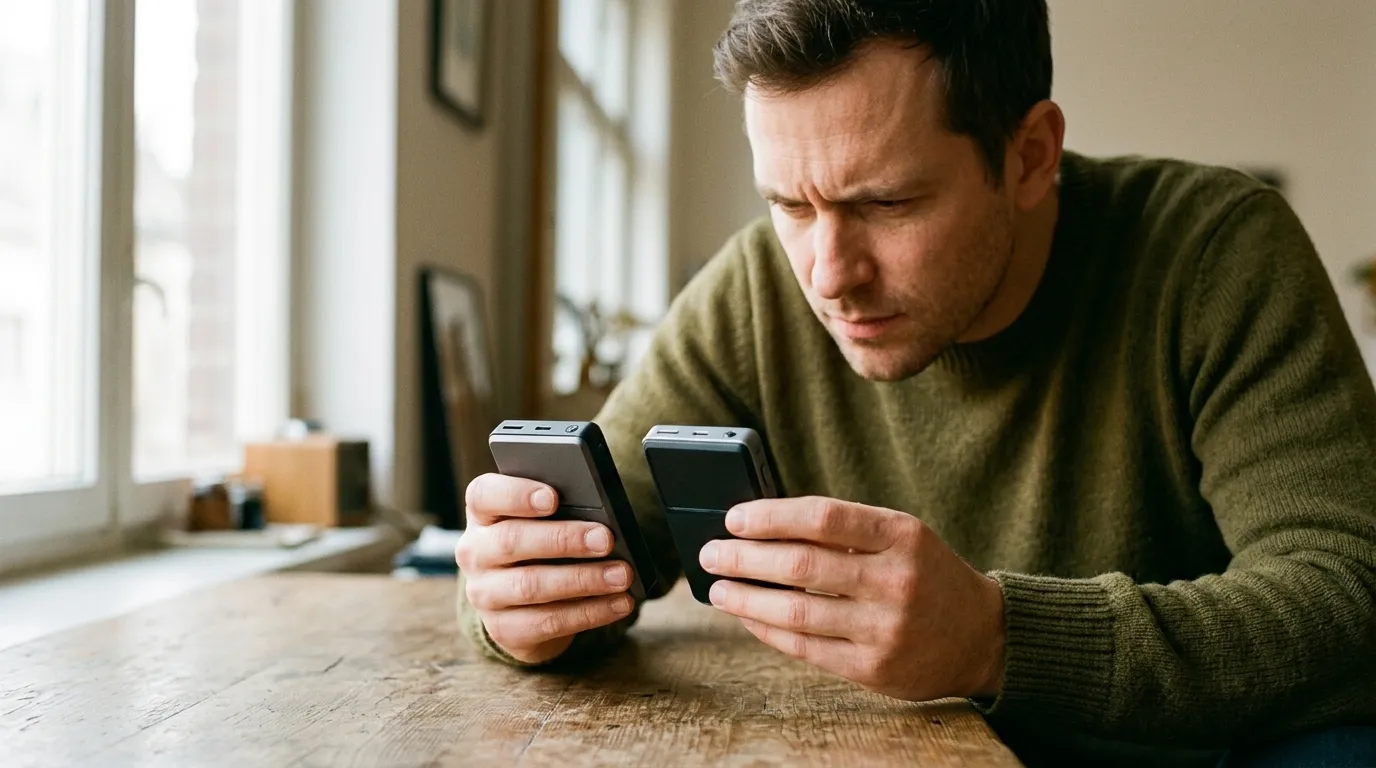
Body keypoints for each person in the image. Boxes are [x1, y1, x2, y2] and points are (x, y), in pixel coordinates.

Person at [454, 1, 1376, 765]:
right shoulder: (756, 293)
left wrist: (996, 637)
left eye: (886, 204)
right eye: (788, 204)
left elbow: (1349, 592)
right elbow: (590, 537)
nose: (827, 272)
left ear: (1030, 156)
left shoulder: (1216, 253)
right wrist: (520, 602)